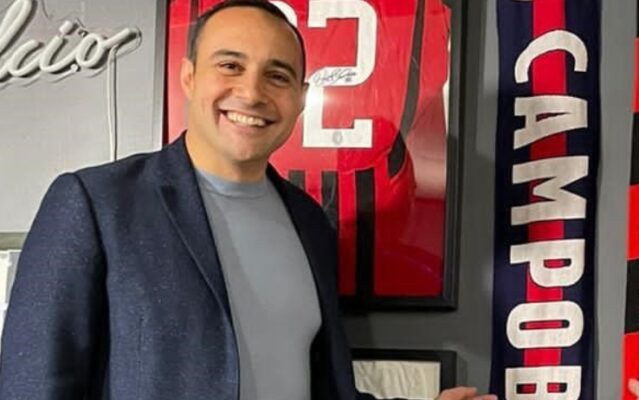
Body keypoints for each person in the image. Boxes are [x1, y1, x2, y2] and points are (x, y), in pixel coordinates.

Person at [0, 1, 495, 399]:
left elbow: (324, 389)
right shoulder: (95, 204)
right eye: (230, 66)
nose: (252, 92)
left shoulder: (309, 225)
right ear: (189, 77)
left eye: (277, 75)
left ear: (301, 97)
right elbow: (31, 386)